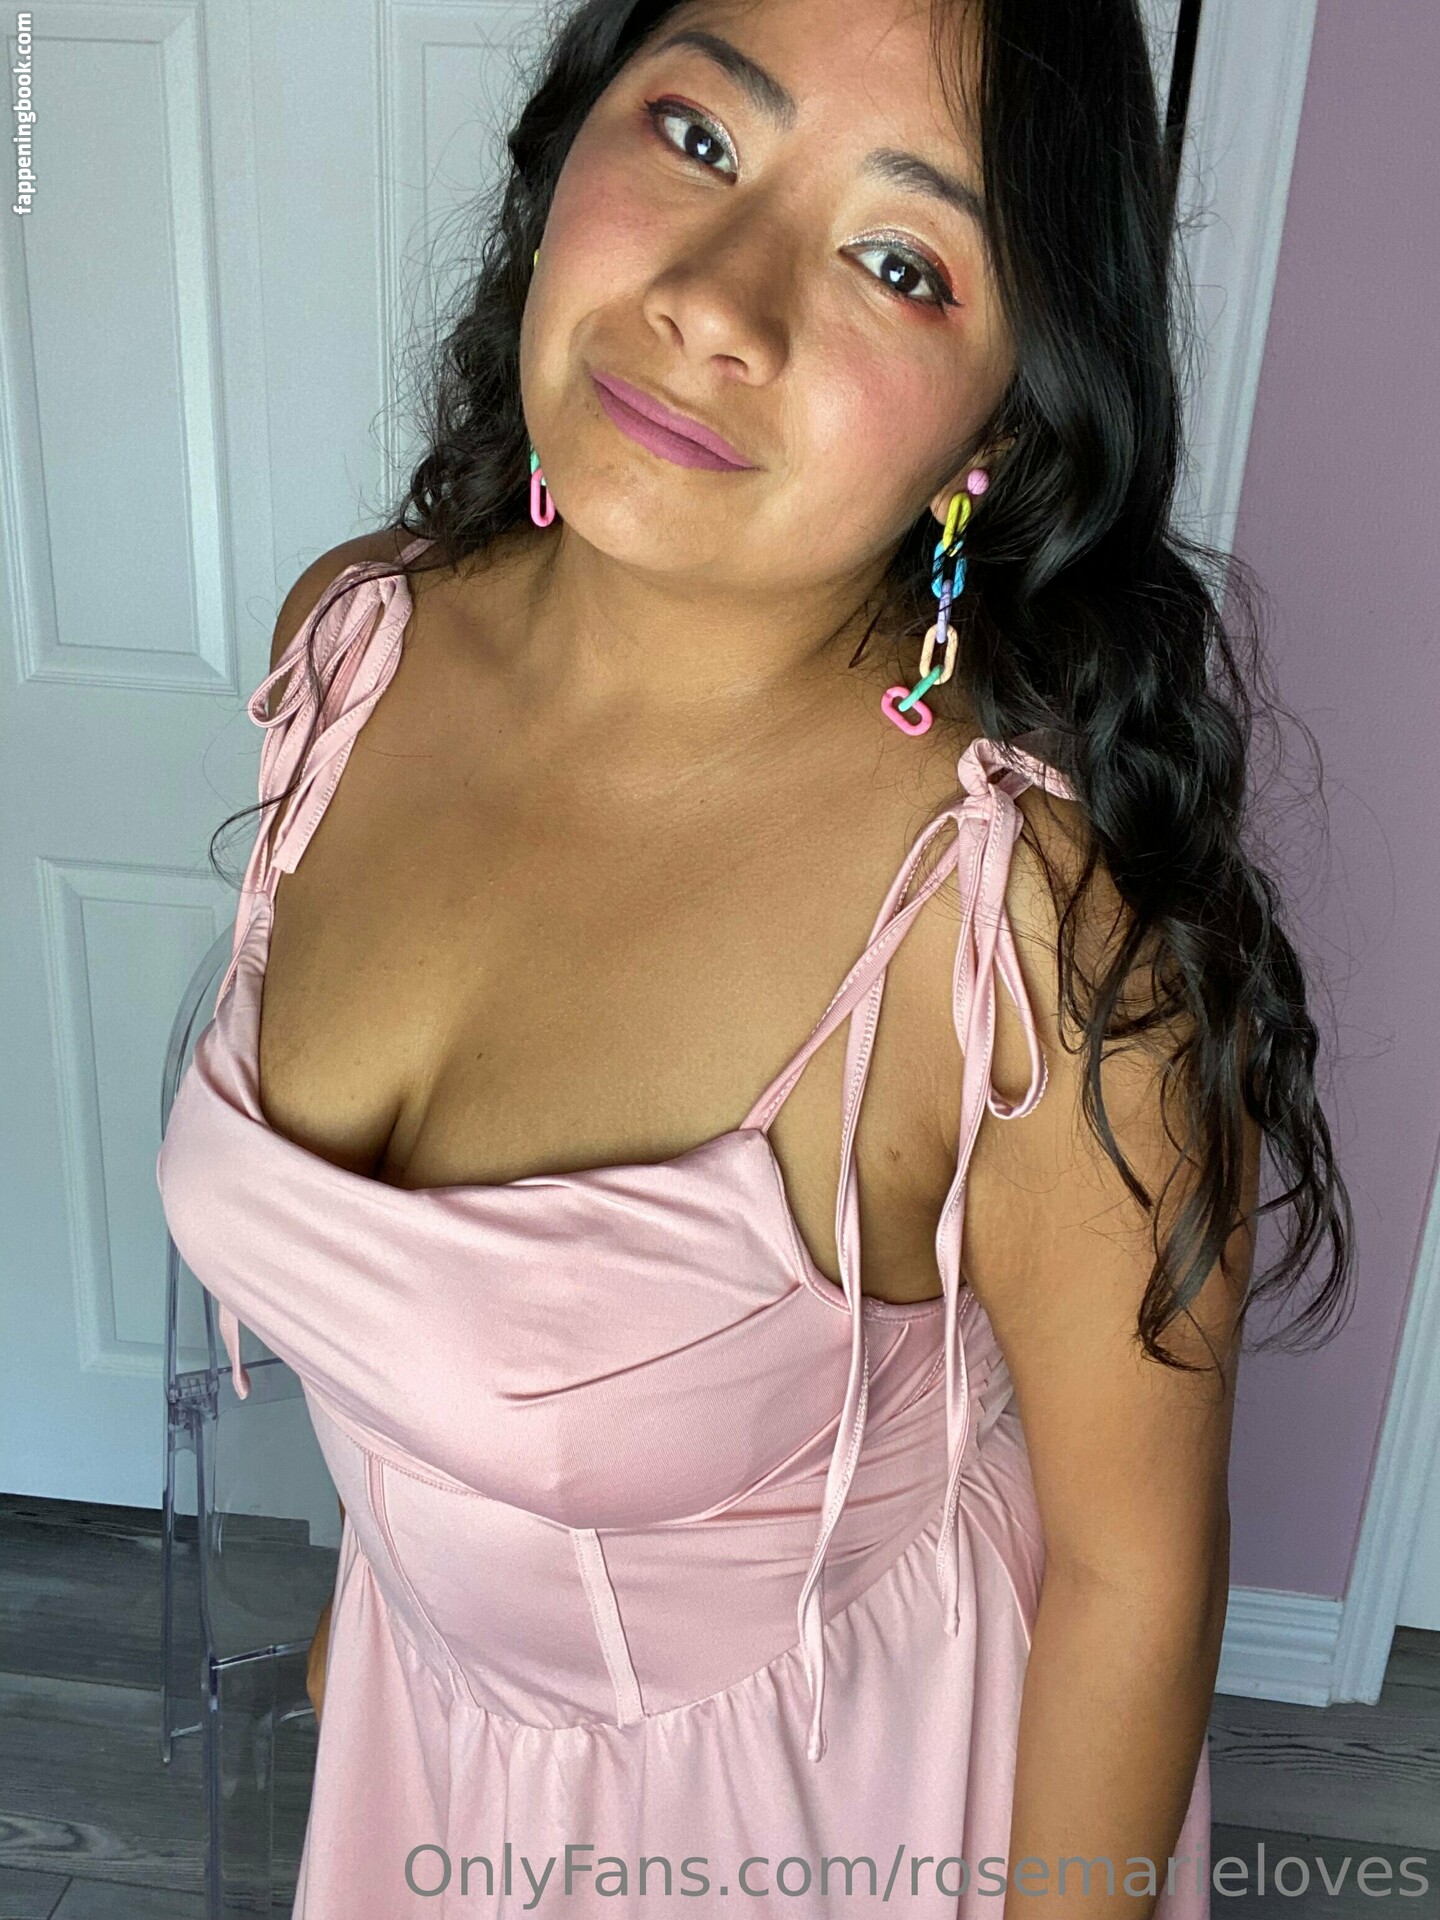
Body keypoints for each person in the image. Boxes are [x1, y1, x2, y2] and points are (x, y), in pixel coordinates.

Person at [156, 0, 1354, 1913]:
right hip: (421, 1743)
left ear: (1008, 417)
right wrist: (391, 1612)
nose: (720, 303)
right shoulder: (356, 644)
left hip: (830, 1814)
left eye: (903, 259)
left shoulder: (1024, 937)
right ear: (571, 141)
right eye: (701, 136)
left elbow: (1131, 1576)